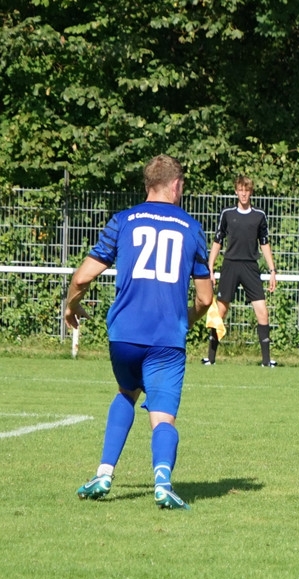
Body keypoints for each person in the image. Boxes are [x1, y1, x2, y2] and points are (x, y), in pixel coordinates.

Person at [66, 154, 214, 509]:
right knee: (162, 415)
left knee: (126, 391)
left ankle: (104, 473)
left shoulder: (123, 221)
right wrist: (184, 320)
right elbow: (206, 299)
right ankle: (162, 483)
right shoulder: (191, 228)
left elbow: (83, 277)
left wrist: (71, 305)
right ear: (176, 185)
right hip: (166, 339)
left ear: (148, 184)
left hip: (124, 335)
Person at [202, 175, 278, 367]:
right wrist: (210, 267)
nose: (243, 194)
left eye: (247, 190)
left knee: (262, 312)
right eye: (240, 190)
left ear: (251, 192)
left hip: (250, 267)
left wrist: (272, 270)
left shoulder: (259, 215)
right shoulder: (227, 214)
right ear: (236, 191)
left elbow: (264, 243)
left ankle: (266, 361)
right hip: (230, 265)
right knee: (221, 311)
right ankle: (210, 358)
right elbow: (218, 240)